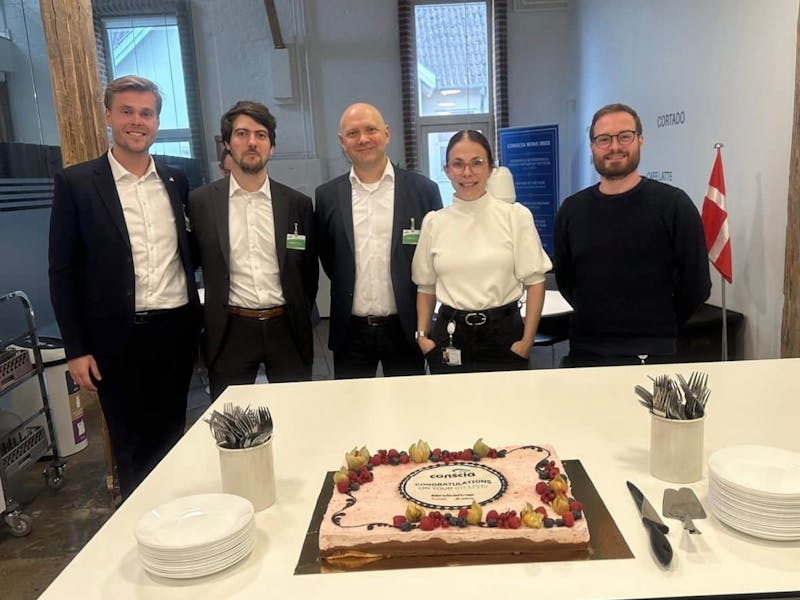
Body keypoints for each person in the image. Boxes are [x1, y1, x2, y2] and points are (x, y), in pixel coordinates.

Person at [48, 75, 201, 499]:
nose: (137, 121)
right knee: (130, 446)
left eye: (146, 113)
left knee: (172, 436)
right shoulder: (77, 184)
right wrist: (76, 349)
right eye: (127, 112)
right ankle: (142, 528)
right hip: (115, 340)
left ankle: (177, 522)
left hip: (175, 330)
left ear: (157, 121)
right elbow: (62, 273)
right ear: (109, 116)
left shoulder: (176, 180)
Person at [553, 102, 711, 367]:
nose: (615, 147)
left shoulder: (673, 205)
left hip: (653, 352)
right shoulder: (572, 210)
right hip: (586, 350)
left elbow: (696, 285)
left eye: (624, 136)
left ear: (640, 140)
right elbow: (566, 280)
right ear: (593, 146)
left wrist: (658, 324)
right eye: (604, 139)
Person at [189, 101, 318, 400]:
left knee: (298, 414)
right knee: (231, 423)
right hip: (230, 330)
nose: (251, 142)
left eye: (261, 135)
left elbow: (308, 272)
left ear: (271, 146)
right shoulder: (201, 203)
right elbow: (195, 261)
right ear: (227, 144)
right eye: (242, 133)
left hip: (287, 329)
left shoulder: (297, 204)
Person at [314, 102, 442, 379]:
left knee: (410, 412)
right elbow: (329, 258)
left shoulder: (423, 191)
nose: (362, 139)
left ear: (387, 133)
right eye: (353, 133)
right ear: (342, 142)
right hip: (351, 331)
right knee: (353, 412)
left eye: (371, 129)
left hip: (407, 327)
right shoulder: (326, 196)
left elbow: (435, 258)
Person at [412, 130, 551, 374]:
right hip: (450, 334)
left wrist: (527, 341)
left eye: (477, 163)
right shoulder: (434, 222)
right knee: (450, 408)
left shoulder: (515, 216)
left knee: (506, 408)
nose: (467, 173)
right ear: (447, 170)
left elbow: (536, 281)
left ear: (490, 169)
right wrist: (423, 337)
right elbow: (425, 286)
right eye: (458, 164)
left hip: (504, 334)